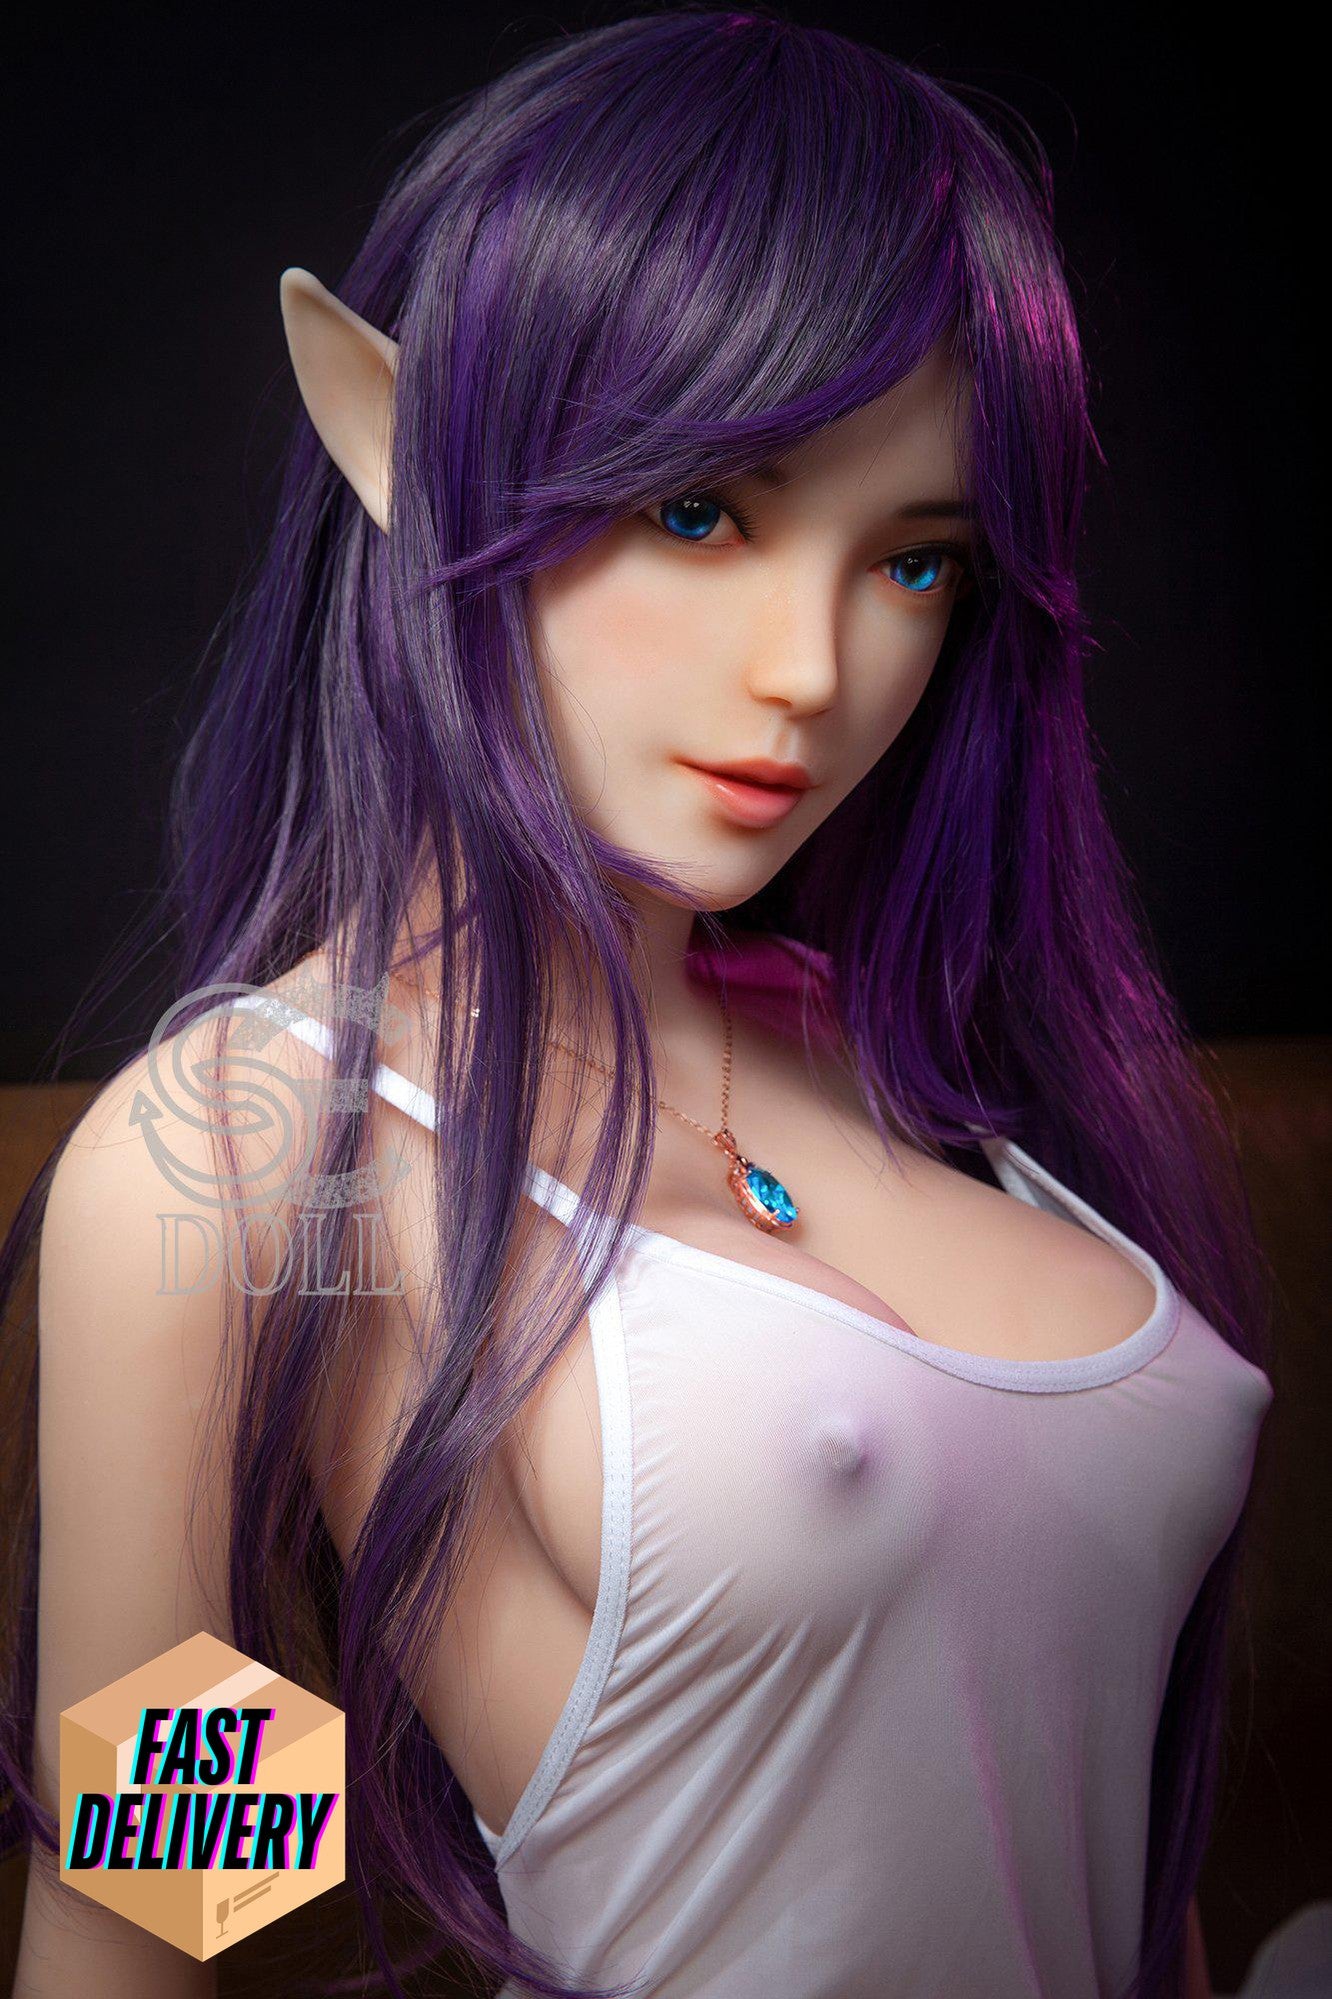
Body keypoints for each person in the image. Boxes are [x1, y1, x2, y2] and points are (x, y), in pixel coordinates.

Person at [2, 13, 1274, 1997]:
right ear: (408, 454)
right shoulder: (248, 1151)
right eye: (700, 512)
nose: (811, 670)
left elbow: (1110, 1815)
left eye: (915, 564)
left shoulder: (931, 1056)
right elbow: (147, 1913)